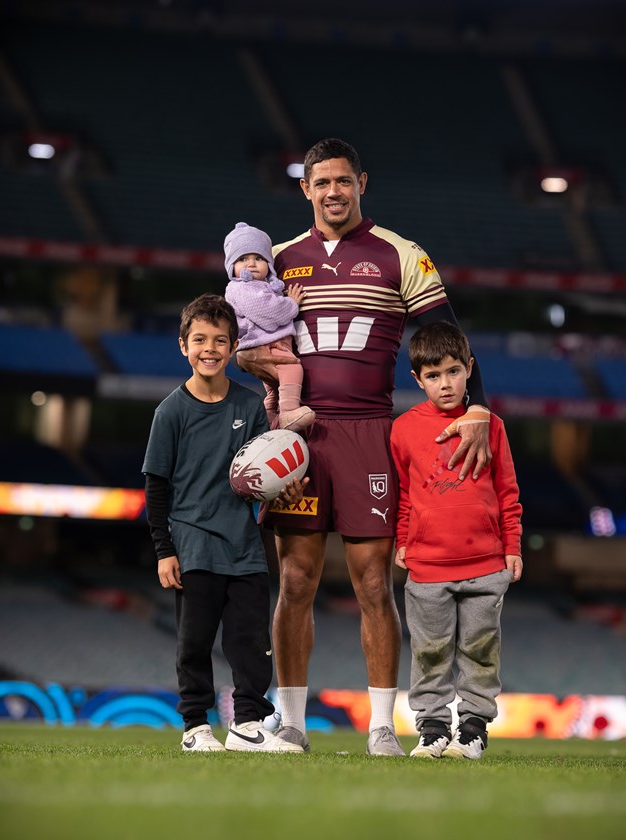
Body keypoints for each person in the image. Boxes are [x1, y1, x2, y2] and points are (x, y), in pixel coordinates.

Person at [236, 138, 492, 756]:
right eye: (321, 182)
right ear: (306, 189)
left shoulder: (401, 254)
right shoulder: (278, 259)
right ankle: (291, 725)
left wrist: (478, 406)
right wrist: (253, 365)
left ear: (361, 183)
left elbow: (447, 337)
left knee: (374, 582)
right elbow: (246, 339)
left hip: (370, 433)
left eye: (343, 181)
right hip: (298, 438)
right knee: (295, 579)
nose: (332, 192)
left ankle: (382, 728)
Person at [142, 293, 308, 754]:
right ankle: (195, 728)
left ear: (235, 347)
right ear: (183, 346)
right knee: (193, 642)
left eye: (220, 340)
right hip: (193, 546)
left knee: (251, 642)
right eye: (199, 339)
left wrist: (285, 486)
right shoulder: (170, 413)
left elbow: (263, 475)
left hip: (244, 548)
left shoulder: (251, 406)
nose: (209, 348)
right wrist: (163, 550)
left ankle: (247, 725)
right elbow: (156, 490)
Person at [390, 322, 522, 760]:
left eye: (452, 371)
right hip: (428, 567)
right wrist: (404, 540)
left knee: (480, 651)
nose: (444, 384)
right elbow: (404, 494)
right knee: (429, 652)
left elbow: (507, 491)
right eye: (433, 375)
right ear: (417, 379)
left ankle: (473, 730)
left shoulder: (491, 425)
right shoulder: (404, 429)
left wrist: (513, 546)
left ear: (469, 369)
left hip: (486, 565)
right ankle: (431, 729)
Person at [224, 221, 315, 432]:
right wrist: (291, 304)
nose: (252, 263)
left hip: (267, 344)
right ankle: (289, 412)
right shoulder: (241, 288)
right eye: (243, 259)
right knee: (291, 368)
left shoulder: (260, 286)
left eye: (259, 258)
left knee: (274, 389)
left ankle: (269, 417)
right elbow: (269, 314)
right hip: (262, 345)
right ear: (232, 267)